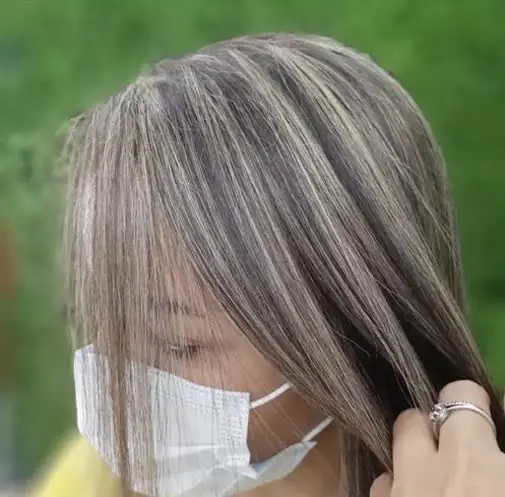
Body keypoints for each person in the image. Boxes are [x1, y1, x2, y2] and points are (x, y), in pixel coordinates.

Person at [48, 33, 505, 497]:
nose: (119, 394)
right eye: (105, 322)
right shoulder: (86, 481)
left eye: (177, 344)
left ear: (353, 334)